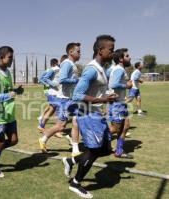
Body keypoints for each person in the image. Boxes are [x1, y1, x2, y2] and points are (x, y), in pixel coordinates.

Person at [62, 35, 117, 198]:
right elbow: (78, 94)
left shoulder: (102, 69)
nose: (113, 53)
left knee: (106, 149)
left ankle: (71, 160)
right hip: (86, 113)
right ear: (101, 50)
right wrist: (103, 99)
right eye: (111, 50)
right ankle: (76, 183)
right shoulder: (91, 69)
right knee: (94, 150)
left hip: (96, 113)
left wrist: (108, 96)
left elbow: (97, 91)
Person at [0, 46, 24, 178]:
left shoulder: (7, 72)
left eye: (12, 57)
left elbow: (7, 90)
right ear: (1, 57)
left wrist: (16, 91)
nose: (12, 60)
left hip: (9, 114)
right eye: (10, 57)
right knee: (1, 142)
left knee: (14, 140)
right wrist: (8, 96)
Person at [38, 42, 81, 156]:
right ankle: (43, 139)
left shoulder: (73, 64)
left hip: (72, 99)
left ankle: (75, 150)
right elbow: (62, 79)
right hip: (64, 100)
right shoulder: (67, 63)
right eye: (78, 51)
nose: (80, 53)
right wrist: (76, 81)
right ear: (70, 52)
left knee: (76, 122)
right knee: (61, 126)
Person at [108, 48, 133, 159]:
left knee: (126, 127)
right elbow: (113, 84)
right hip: (117, 104)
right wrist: (126, 86)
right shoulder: (119, 69)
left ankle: (119, 151)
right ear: (120, 59)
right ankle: (94, 141)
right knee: (115, 129)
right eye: (127, 56)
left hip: (121, 103)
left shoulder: (118, 69)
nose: (130, 57)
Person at [38, 58, 60, 133]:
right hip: (48, 91)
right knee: (54, 107)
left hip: (53, 91)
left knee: (51, 107)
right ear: (54, 64)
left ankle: (41, 121)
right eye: (57, 63)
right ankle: (57, 129)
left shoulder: (57, 70)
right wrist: (47, 84)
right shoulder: (48, 70)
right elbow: (41, 79)